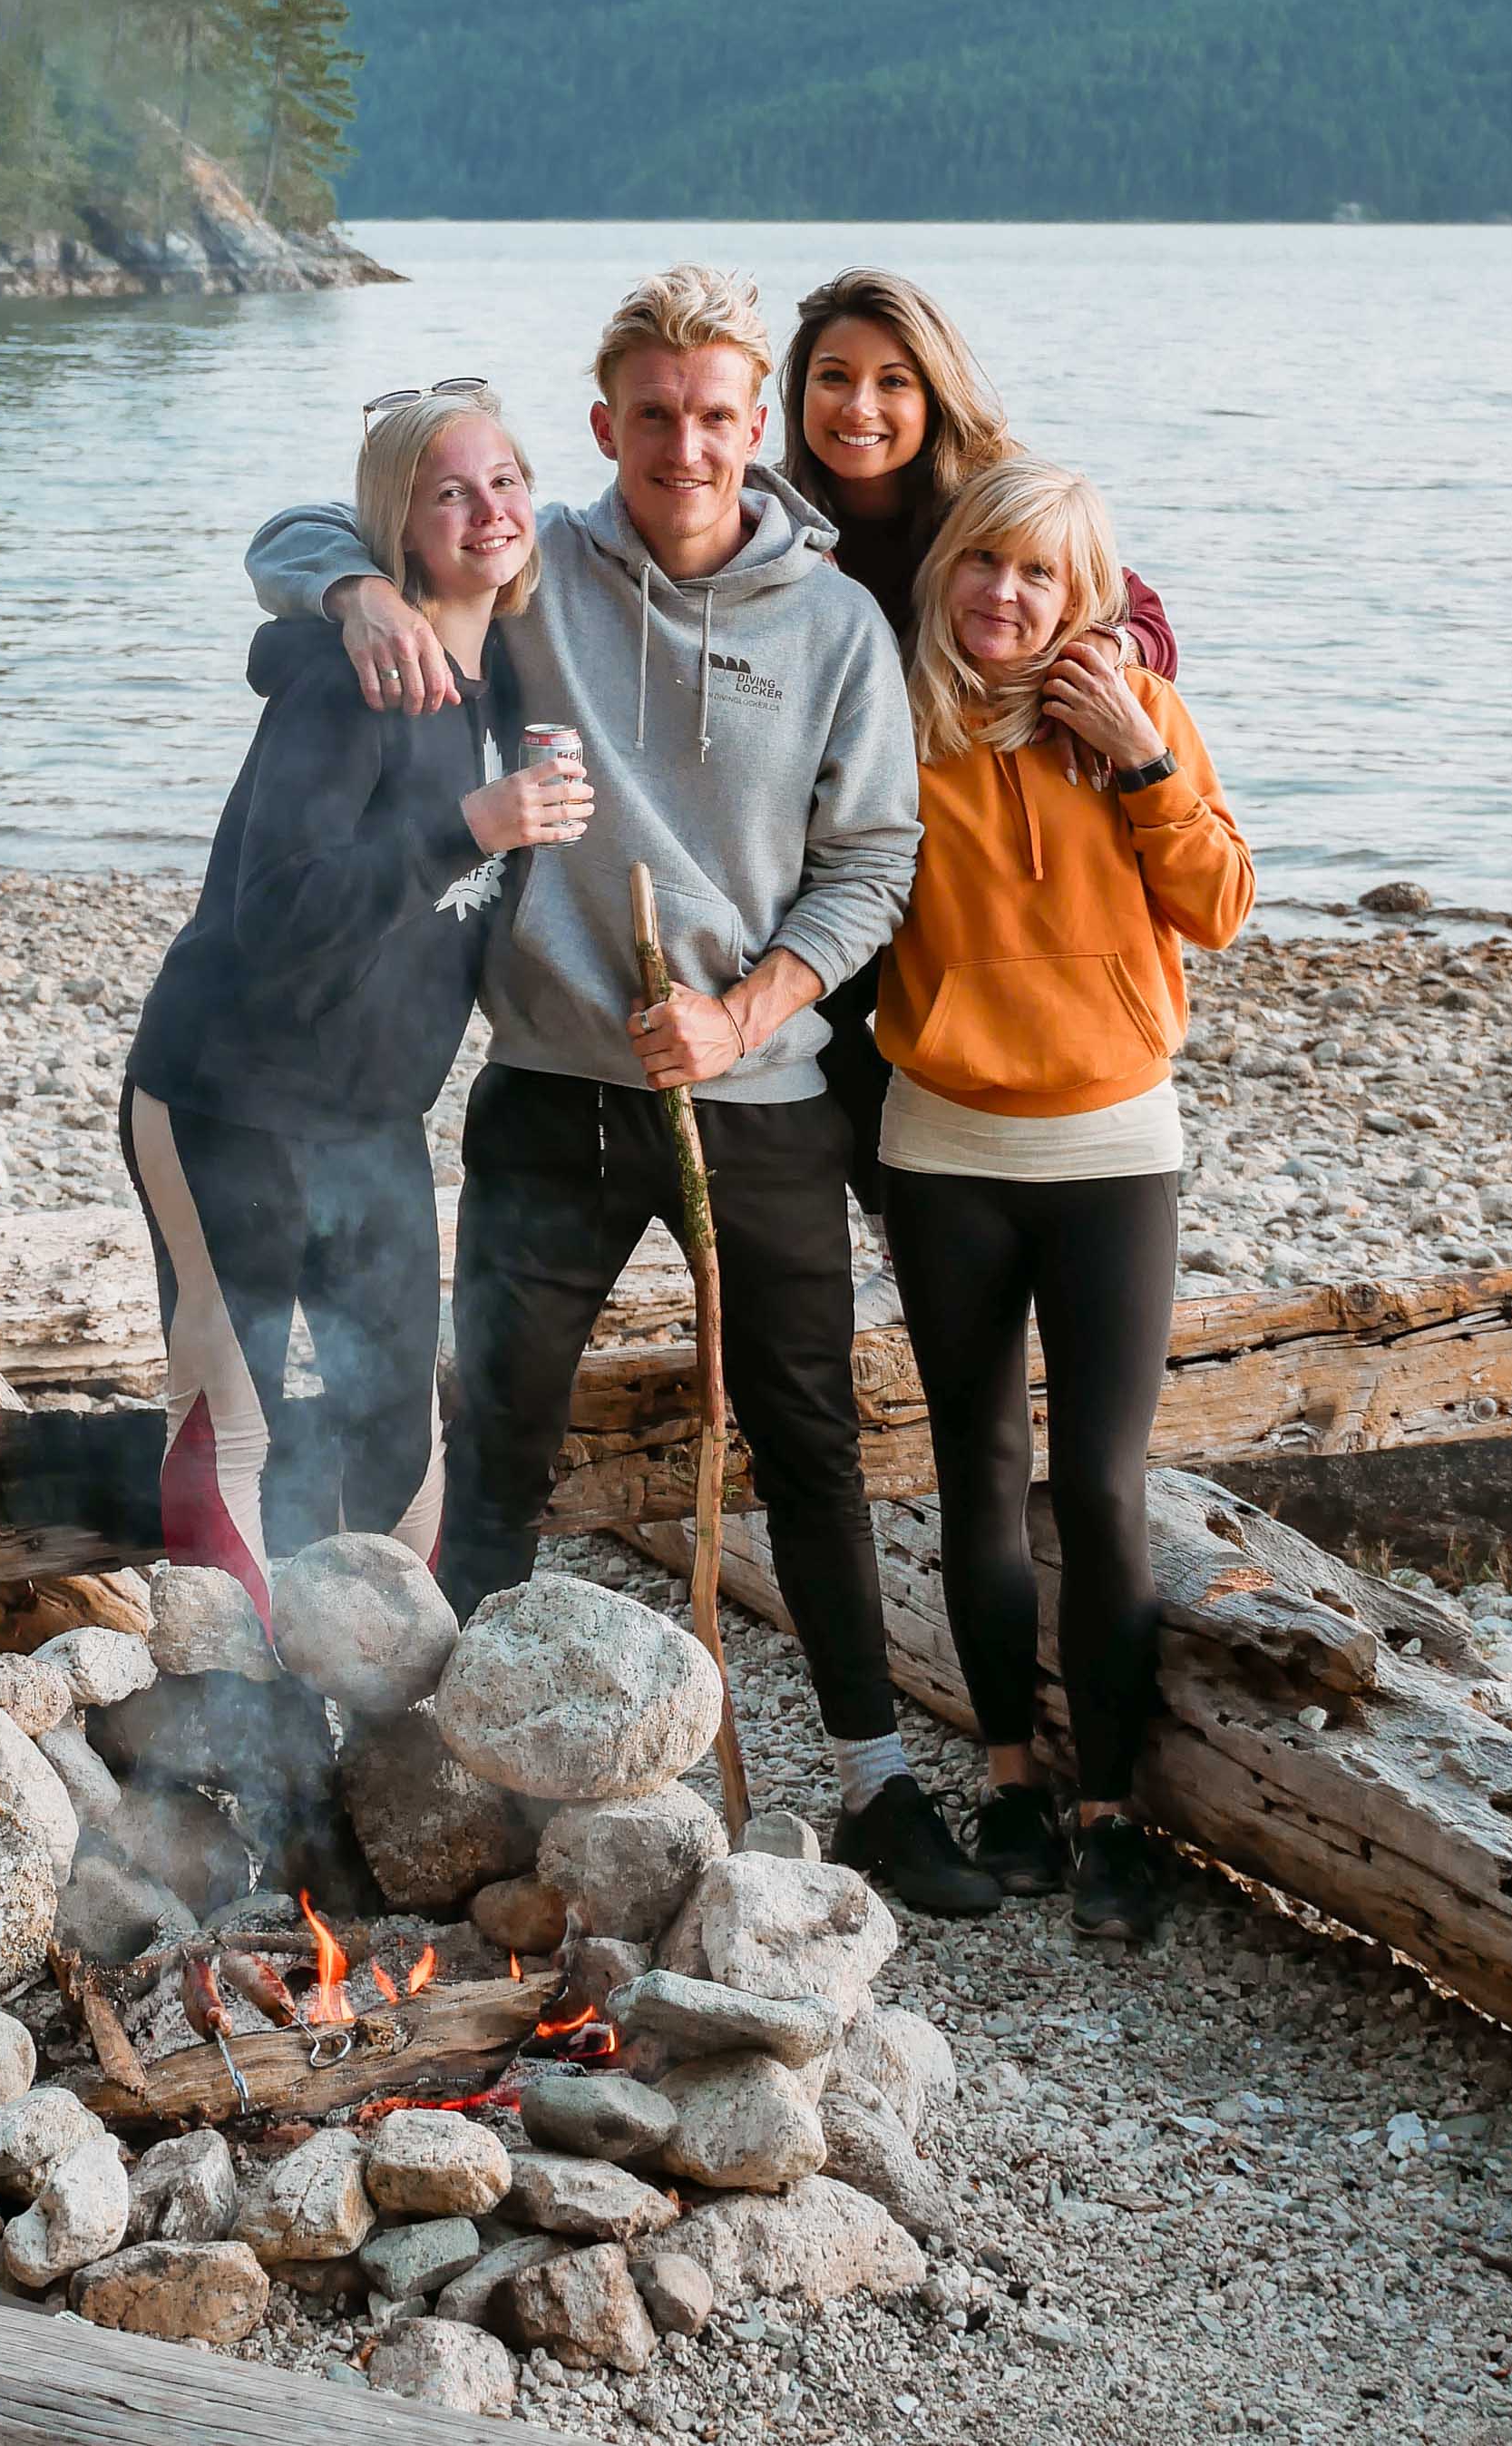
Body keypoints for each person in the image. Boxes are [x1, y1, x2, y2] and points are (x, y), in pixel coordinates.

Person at [245, 267, 1000, 1914]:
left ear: (757, 425)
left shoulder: (834, 624)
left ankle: (876, 1780)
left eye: (716, 415)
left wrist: (745, 1013)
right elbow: (308, 524)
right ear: (606, 425)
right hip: (552, 1088)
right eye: (651, 416)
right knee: (494, 1441)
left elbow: (871, 863)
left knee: (807, 1440)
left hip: (760, 1095)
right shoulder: (539, 572)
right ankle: (430, 1768)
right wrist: (353, 598)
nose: (684, 444)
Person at [121, 386, 592, 1633]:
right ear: (400, 524)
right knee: (234, 1413)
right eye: (450, 491)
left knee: (401, 1428)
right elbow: (280, 915)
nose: (487, 510)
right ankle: (221, 1736)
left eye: (504, 481)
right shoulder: (350, 682)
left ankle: (398, 1735)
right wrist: (469, 828)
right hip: (230, 1096)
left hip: (378, 1116)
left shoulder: (503, 686)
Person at [875, 457, 1254, 1942]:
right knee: (973, 1470)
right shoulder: (893, 727)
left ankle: (1114, 1807)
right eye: (983, 562)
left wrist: (1143, 762)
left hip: (1112, 1148)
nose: (1005, 595)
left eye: (1039, 574)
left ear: (1083, 594)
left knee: (1097, 1483)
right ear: (946, 568)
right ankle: (1010, 1778)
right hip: (944, 1145)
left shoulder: (1138, 718)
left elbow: (1218, 904)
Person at [774, 268, 1181, 1233]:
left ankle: (916, 1216)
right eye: (833, 376)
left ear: (934, 392)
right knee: (799, 1022)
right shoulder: (776, 523)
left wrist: (1105, 656)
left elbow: (1138, 609)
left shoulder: (986, 505)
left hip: (959, 837)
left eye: (894, 381)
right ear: (796, 395)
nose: (859, 406)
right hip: (834, 836)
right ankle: (886, 1220)